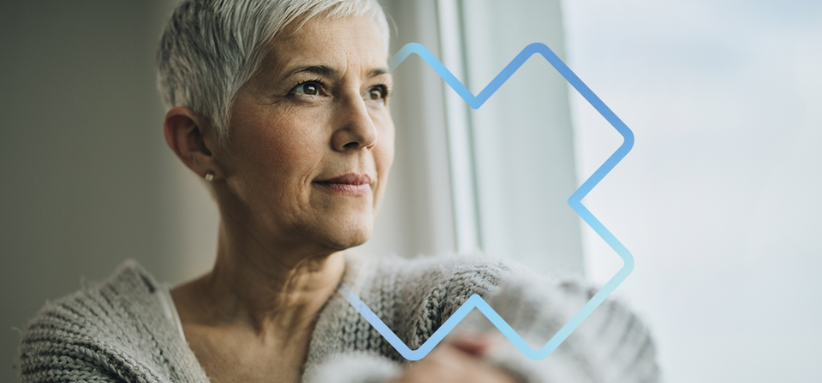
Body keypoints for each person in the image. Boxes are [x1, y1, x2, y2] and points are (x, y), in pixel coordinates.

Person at [16, 1, 659, 382]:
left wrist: (507, 371)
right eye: (311, 88)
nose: (362, 130)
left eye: (377, 91)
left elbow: (607, 327)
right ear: (199, 143)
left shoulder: (438, 309)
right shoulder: (95, 349)